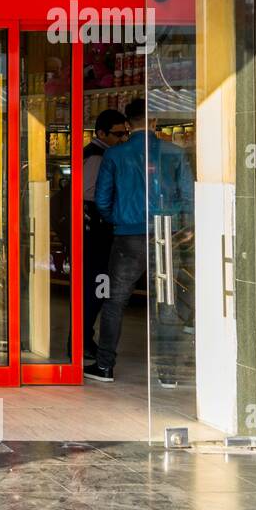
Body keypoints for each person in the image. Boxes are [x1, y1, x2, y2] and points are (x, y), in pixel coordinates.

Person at [89, 98, 192, 384]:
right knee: (167, 301)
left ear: (127, 123)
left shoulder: (115, 155)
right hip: (165, 235)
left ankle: (105, 366)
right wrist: (182, 229)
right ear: (155, 122)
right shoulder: (174, 152)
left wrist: (121, 219)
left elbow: (101, 201)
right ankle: (168, 373)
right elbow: (189, 198)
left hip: (127, 237)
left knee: (115, 302)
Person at [81, 109, 129, 359]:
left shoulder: (97, 153)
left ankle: (83, 339)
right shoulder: (98, 157)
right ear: (101, 133)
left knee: (95, 288)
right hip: (95, 233)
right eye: (117, 134)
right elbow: (89, 194)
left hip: (95, 231)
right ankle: (83, 341)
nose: (122, 139)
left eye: (125, 133)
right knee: (95, 288)